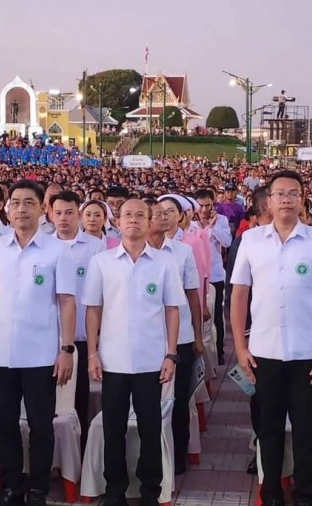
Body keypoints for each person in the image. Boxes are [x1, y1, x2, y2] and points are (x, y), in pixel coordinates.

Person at [230, 170, 312, 506]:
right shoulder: (251, 240)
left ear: (302, 199)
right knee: (269, 429)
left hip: (307, 352)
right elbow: (239, 295)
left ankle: (306, 495)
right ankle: (272, 494)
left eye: (293, 193)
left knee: (305, 430)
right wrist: (239, 346)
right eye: (280, 193)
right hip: (264, 351)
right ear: (269, 200)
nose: (286, 200)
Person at [0, 180, 77, 506]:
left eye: (28, 203)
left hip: (41, 354)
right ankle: (11, 485)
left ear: (41, 208)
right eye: (15, 203)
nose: (21, 209)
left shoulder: (57, 250)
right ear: (7, 208)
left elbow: (67, 303)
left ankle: (38, 487)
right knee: (3, 424)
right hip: (0, 352)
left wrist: (66, 349)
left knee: (41, 425)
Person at [84, 198, 183, 506]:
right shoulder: (102, 262)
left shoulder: (164, 262)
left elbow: (172, 310)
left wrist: (170, 354)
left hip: (151, 362)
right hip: (112, 362)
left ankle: (150, 490)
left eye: (141, 215)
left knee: (150, 430)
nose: (134, 220)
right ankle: (115, 490)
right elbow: (93, 310)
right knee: (113, 430)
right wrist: (91, 353)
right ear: (117, 221)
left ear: (150, 220)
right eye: (128, 214)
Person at [147, 199, 202, 475]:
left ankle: (178, 453)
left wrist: (198, 336)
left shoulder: (182, 252)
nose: (164, 218)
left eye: (169, 213)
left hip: (180, 336)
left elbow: (193, 293)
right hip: (148, 338)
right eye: (157, 213)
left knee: (178, 399)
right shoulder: (136, 252)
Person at [50, 190, 103, 454]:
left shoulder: (95, 247)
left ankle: (78, 456)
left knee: (78, 399)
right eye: (57, 213)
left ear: (78, 215)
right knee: (49, 402)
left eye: (69, 212)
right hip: (50, 338)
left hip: (81, 335)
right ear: (49, 214)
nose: (63, 218)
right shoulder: (45, 247)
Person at [224, 186, 271, 476]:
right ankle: (261, 446)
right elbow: (236, 291)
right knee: (258, 395)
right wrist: (240, 337)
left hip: (298, 338)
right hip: (256, 332)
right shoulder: (246, 242)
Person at [194, 188, 232, 365]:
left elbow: (227, 242)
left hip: (214, 275)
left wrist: (212, 227)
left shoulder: (221, 220)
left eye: (207, 206)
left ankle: (219, 352)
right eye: (200, 206)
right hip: (194, 276)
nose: (204, 210)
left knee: (216, 315)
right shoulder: (190, 223)